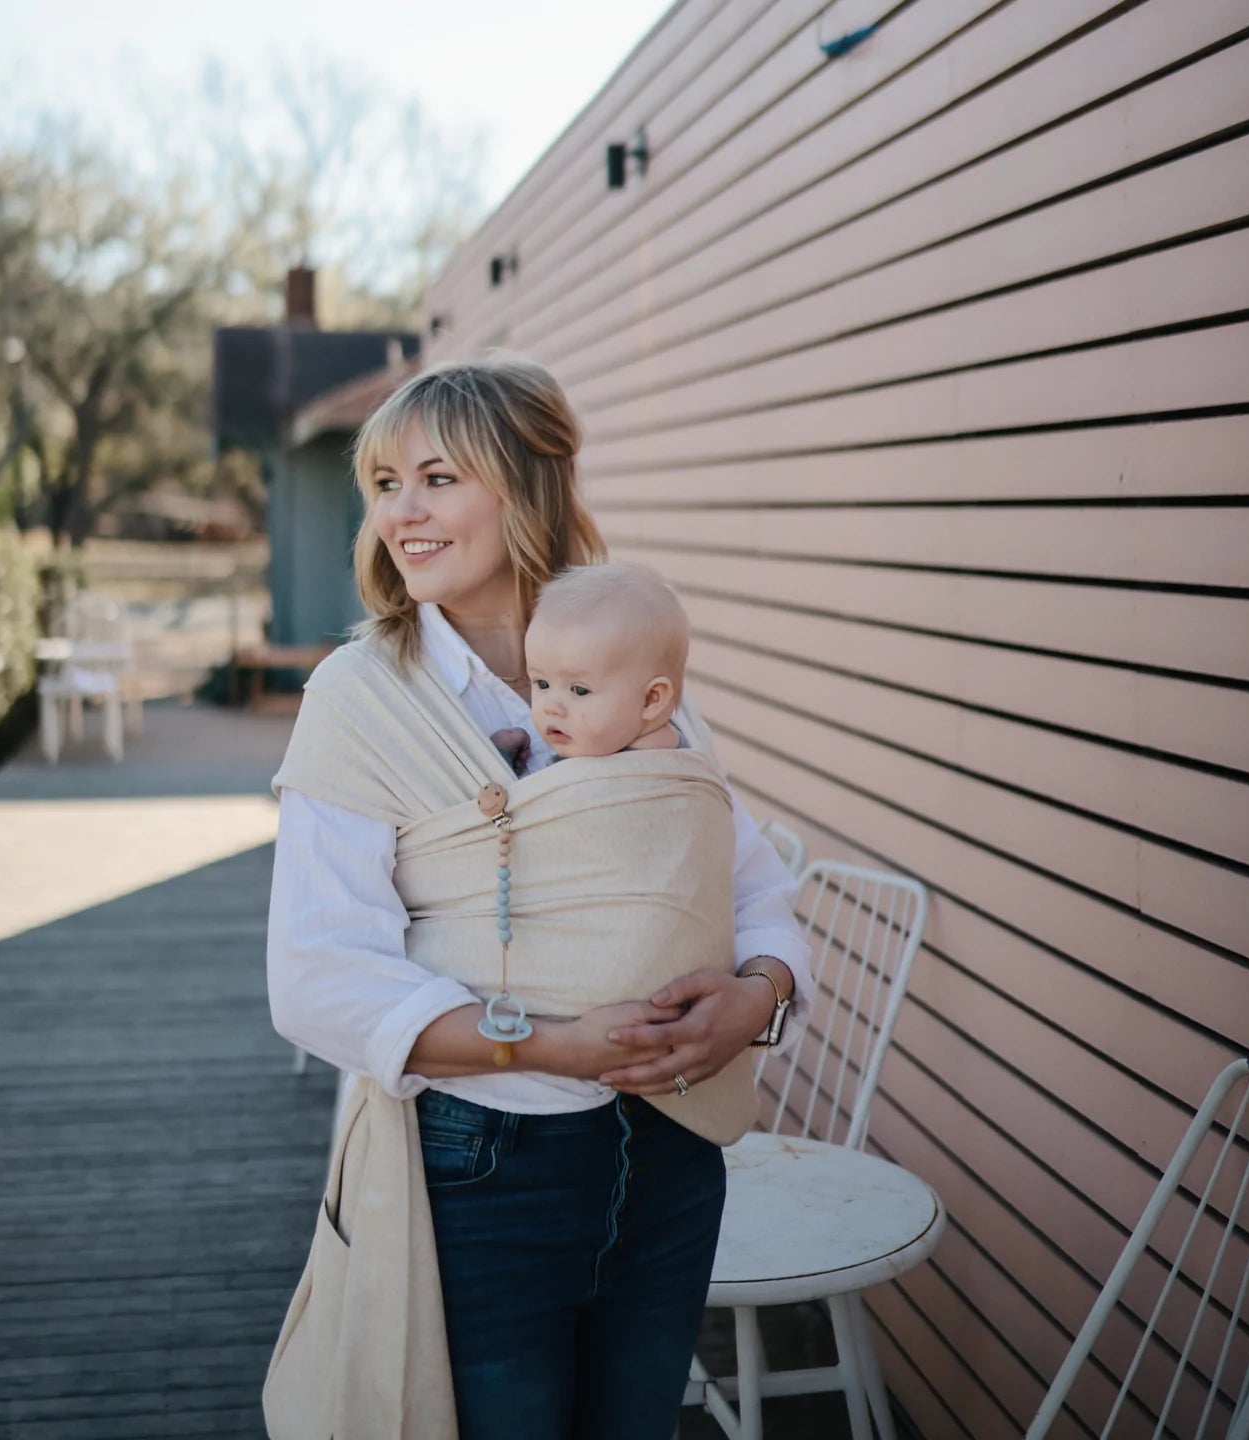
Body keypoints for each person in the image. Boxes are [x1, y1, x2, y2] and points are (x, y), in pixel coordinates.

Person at [266, 353, 815, 1440]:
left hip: (666, 1154)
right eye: (384, 485)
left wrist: (758, 996)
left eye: (436, 478)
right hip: (485, 1163)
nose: (402, 513)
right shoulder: (363, 699)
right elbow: (318, 976)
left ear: (527, 484)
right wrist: (552, 1045)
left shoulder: (627, 659)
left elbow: (748, 880)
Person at [488, 560, 688, 773]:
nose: (551, 707)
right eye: (542, 684)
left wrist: (497, 762)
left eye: (579, 690)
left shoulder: (616, 779)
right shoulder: (673, 753)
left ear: (651, 699)